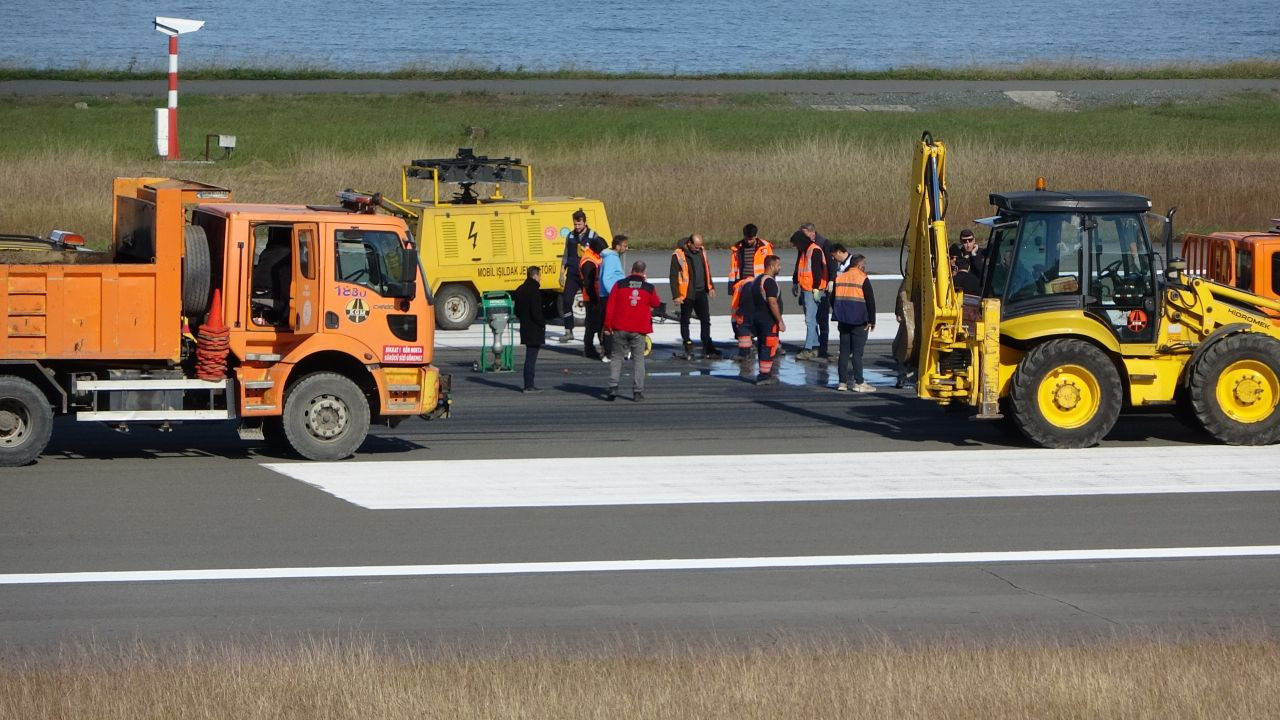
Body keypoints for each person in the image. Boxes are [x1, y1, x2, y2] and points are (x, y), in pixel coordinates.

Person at [603, 261, 661, 401]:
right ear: (643, 272)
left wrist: (607, 325)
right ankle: (637, 392)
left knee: (616, 357)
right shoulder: (648, 287)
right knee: (638, 360)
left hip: (619, 327)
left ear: (631, 270)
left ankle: (613, 387)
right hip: (639, 330)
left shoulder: (619, 285)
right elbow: (656, 303)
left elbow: (610, 307)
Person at [831, 248, 876, 393]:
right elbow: (870, 301)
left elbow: (832, 299)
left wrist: (839, 311)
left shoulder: (840, 277)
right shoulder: (862, 278)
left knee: (844, 352)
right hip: (859, 320)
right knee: (857, 353)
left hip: (843, 319)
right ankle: (859, 382)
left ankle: (842, 382)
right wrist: (872, 320)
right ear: (859, 265)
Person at [669, 233, 721, 359]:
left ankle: (707, 345)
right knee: (685, 320)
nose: (698, 249)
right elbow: (673, 276)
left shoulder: (701, 251)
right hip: (687, 293)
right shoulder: (678, 255)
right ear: (689, 243)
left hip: (701, 291)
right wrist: (676, 295)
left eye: (700, 247)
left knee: (705, 320)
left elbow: (706, 269)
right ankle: (687, 345)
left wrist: (710, 286)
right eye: (696, 247)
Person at [558, 208, 603, 344]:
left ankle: (593, 330)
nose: (577, 227)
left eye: (579, 224)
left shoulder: (593, 235)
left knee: (591, 303)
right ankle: (568, 331)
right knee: (566, 301)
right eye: (575, 225)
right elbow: (566, 254)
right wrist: (561, 272)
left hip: (588, 275)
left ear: (584, 222)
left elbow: (601, 254)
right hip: (572, 273)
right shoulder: (570, 236)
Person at [790, 229, 827, 362]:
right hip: (805, 288)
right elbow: (798, 267)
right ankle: (815, 345)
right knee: (811, 319)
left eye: (796, 244)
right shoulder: (803, 251)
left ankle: (808, 348)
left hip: (813, 289)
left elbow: (817, 271)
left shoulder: (814, 250)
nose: (795, 247)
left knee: (810, 320)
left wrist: (816, 288)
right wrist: (795, 282)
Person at [749, 255, 786, 385]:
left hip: (757, 318)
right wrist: (779, 320)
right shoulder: (769, 282)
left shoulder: (757, 280)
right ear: (771, 266)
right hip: (768, 320)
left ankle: (763, 372)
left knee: (762, 345)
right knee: (769, 346)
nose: (780, 268)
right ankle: (764, 375)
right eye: (778, 265)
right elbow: (772, 302)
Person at [800, 222, 833, 360]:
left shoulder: (823, 244)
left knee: (820, 318)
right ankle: (815, 345)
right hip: (808, 286)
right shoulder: (805, 246)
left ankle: (820, 347)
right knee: (812, 317)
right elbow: (800, 264)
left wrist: (831, 279)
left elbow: (831, 263)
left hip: (819, 287)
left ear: (811, 232)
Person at [512, 265, 546, 392]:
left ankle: (529, 383)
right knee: (531, 357)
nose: (540, 279)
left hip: (525, 326)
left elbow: (517, 311)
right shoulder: (535, 291)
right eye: (540, 276)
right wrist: (542, 323)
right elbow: (536, 312)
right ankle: (529, 384)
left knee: (529, 355)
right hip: (534, 328)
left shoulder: (520, 289)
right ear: (535, 275)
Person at [251, 226, 292, 326]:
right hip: (271, 295)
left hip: (256, 291)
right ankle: (284, 322)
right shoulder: (288, 254)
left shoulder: (267, 251)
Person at [578, 236, 606, 360]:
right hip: (591, 297)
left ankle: (601, 346)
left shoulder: (595, 256)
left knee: (597, 323)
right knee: (592, 324)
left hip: (596, 295)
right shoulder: (588, 261)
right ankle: (589, 348)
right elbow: (588, 283)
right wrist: (595, 300)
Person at [599, 234, 628, 302]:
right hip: (609, 296)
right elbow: (606, 278)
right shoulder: (611, 258)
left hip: (611, 294)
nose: (627, 248)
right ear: (617, 247)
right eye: (624, 246)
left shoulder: (613, 257)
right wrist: (614, 294)